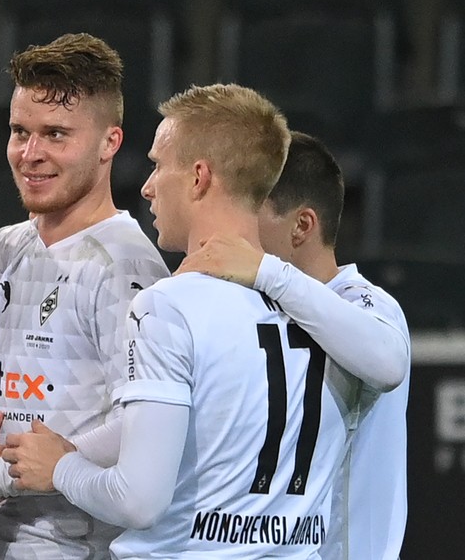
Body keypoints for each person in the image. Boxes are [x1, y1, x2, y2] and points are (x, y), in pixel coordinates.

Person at [0, 84, 396, 558]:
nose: (146, 185)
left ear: (198, 178)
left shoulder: (167, 306)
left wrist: (62, 469)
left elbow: (138, 501)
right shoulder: (322, 314)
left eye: (157, 165)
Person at [0, 32, 172, 559]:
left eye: (56, 134)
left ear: (110, 143)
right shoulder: (22, 240)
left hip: (77, 546)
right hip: (4, 540)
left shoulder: (124, 266)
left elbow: (144, 426)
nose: (30, 154)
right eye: (20, 132)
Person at [176, 132, 411, 559]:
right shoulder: (258, 311)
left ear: (302, 225)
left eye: (252, 211)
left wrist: (267, 271)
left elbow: (388, 362)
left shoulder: (364, 303)